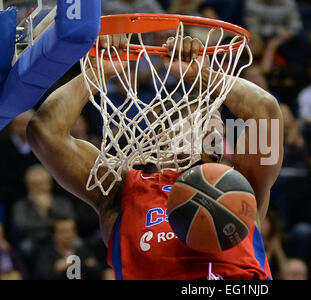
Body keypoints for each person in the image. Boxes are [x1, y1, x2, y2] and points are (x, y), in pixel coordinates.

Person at [26, 34, 283, 280]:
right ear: (162, 135)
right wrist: (97, 73)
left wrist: (202, 75)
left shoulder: (240, 186)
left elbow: (265, 111)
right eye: (203, 124)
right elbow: (45, 132)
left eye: (218, 130)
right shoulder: (121, 188)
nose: (214, 135)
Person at [12, 165, 75, 259]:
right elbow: (22, 225)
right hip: (34, 241)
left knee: (78, 243)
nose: (40, 187)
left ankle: (77, 272)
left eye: (43, 183)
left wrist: (50, 208)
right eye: (35, 184)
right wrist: (52, 224)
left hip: (59, 240)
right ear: (28, 186)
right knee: (26, 247)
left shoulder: (61, 202)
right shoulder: (21, 205)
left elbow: (70, 220)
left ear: (50, 184)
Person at [35, 218, 102, 280]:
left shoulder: (83, 251)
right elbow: (44, 275)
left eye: (72, 230)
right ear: (54, 235)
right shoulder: (46, 254)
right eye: (64, 231)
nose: (68, 235)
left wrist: (66, 264)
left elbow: (97, 271)